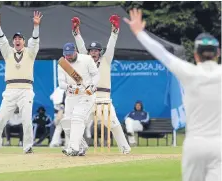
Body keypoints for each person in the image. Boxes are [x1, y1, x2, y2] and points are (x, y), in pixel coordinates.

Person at [124, 8, 221, 181]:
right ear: (217, 54)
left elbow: (162, 53)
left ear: (196, 55)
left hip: (195, 145)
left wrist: (139, 33)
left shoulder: (189, 72)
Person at [71, 15, 131, 154]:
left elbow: (111, 45)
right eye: (91, 51)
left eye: (96, 51)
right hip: (89, 98)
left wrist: (115, 30)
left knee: (114, 124)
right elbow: (80, 46)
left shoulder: (106, 60)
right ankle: (79, 147)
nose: (93, 53)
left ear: (100, 52)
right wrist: (76, 32)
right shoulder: (85, 60)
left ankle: (125, 148)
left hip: (104, 98)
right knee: (78, 123)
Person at [0, 11, 42, 154]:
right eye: (15, 39)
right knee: (0, 120)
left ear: (24, 41)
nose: (17, 41)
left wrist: (36, 26)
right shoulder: (8, 52)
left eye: (20, 39)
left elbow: (34, 41)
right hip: (10, 90)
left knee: (27, 120)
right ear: (13, 42)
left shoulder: (30, 52)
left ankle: (28, 147)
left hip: (26, 90)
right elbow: (1, 41)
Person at [59, 42, 99, 156]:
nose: (68, 56)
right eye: (66, 54)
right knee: (67, 123)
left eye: (70, 54)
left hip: (86, 95)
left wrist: (92, 85)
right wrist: (68, 87)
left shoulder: (87, 59)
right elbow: (61, 83)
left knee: (77, 118)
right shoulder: (63, 63)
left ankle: (72, 148)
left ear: (75, 51)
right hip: (71, 96)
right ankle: (82, 146)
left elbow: (96, 75)